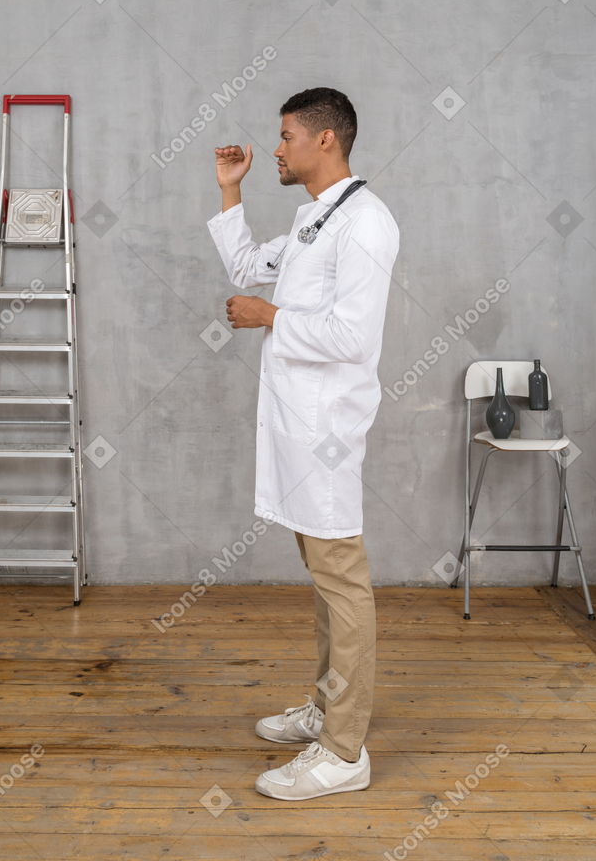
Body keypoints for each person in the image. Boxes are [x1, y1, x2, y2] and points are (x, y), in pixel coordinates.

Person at [207, 87, 400, 802]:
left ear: (325, 141)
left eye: (285, 137)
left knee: (341, 583)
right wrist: (230, 192)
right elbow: (247, 269)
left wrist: (270, 316)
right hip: (297, 427)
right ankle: (325, 705)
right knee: (325, 580)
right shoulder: (320, 220)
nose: (276, 149)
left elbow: (353, 337)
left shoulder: (366, 225)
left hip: (325, 432)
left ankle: (343, 750)